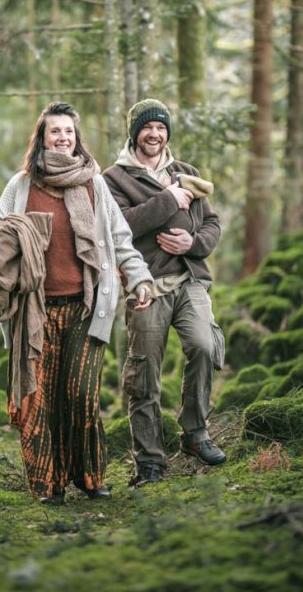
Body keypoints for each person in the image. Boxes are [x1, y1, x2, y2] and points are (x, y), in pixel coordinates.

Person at [0, 101, 154, 506]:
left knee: (80, 395)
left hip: (86, 307)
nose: (62, 137)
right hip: (34, 309)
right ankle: (49, 484)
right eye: (54, 131)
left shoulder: (94, 185)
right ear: (41, 138)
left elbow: (119, 238)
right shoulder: (21, 185)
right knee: (39, 396)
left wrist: (140, 278)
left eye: (68, 132)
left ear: (77, 139)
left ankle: (90, 477)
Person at [103, 98, 226, 488]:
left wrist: (192, 242)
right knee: (145, 372)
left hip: (189, 279)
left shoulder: (186, 172)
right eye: (147, 128)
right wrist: (168, 200)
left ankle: (196, 433)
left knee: (205, 345)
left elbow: (212, 224)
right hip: (146, 286)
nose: (154, 134)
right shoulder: (114, 179)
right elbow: (121, 225)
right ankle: (150, 460)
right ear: (134, 132)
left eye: (161, 128)